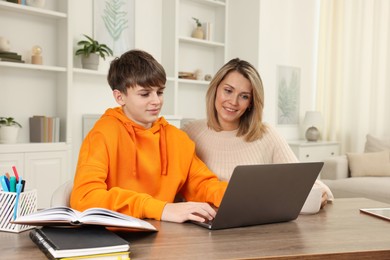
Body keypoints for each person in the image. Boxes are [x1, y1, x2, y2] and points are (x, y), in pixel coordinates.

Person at [70, 49, 227, 224]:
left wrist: (239, 196)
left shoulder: (176, 138)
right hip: (118, 234)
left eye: (159, 92)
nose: (156, 101)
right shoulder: (103, 134)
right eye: (145, 94)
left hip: (165, 234)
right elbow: (84, 198)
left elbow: (202, 184)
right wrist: (160, 208)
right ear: (119, 97)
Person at [182, 58, 333, 209]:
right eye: (228, 91)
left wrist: (320, 192)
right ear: (215, 89)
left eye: (244, 96)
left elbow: (302, 180)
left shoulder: (266, 135)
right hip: (203, 225)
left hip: (255, 225)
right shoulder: (190, 133)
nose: (233, 102)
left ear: (251, 103)